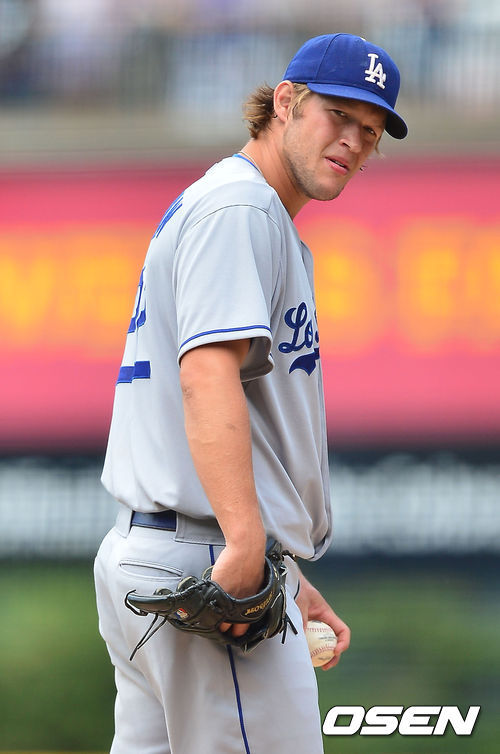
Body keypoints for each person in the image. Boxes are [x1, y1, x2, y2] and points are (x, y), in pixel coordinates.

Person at [94, 32, 407, 754]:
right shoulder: (242, 208)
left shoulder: (238, 207)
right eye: (339, 115)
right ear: (286, 102)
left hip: (163, 550)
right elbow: (206, 375)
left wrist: (279, 565)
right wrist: (244, 544)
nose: (354, 141)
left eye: (370, 131)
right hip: (202, 553)